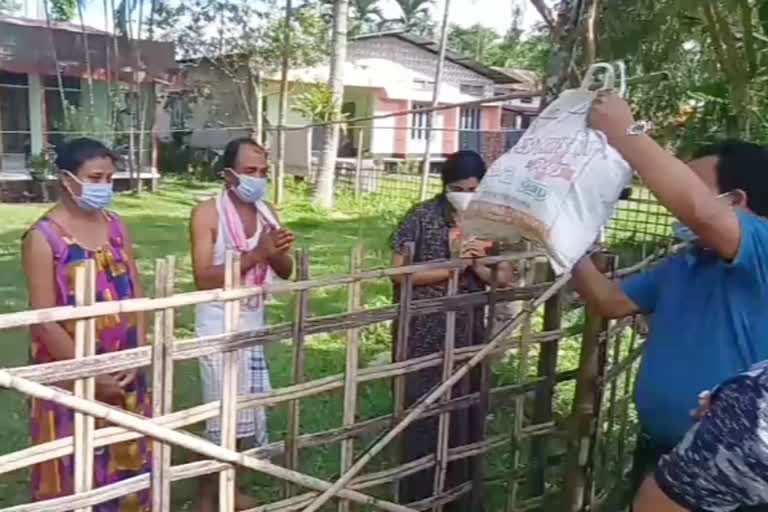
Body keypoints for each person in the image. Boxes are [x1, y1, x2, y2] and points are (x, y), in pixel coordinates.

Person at [572, 92, 768, 506]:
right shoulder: (686, 264)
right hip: (662, 452)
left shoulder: (763, 249)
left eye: (692, 185)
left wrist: (629, 132)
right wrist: (567, 245)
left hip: (735, 469)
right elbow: (610, 301)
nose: (674, 204)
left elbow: (701, 212)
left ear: (737, 202)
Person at [22, 138, 151, 509]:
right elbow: (45, 320)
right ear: (67, 179)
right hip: (70, 373)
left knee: (126, 455)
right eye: (95, 178)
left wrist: (137, 351)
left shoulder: (116, 226)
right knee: (74, 462)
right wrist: (92, 374)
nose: (104, 187)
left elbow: (138, 294)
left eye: (110, 178)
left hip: (125, 368)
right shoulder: (43, 239)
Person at [390, 150, 517, 510]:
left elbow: (505, 276)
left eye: (472, 187)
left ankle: (460, 491)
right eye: (457, 187)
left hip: (469, 329)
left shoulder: (491, 219)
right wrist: (452, 266)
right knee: (424, 409)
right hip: (424, 329)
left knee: (466, 407)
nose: (464, 193)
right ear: (445, 186)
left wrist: (478, 267)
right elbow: (399, 273)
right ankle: (419, 492)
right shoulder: (422, 216)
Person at [190, 137, 293, 510]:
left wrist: (277, 251)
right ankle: (207, 494)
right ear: (228, 174)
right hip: (218, 324)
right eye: (250, 171)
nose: (258, 179)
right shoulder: (206, 213)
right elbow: (203, 277)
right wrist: (257, 253)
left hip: (253, 320)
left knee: (244, 412)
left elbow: (285, 268)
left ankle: (230, 487)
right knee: (221, 414)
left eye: (263, 172)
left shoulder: (267, 211)